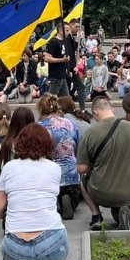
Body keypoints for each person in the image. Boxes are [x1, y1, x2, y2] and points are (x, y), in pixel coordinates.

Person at [0, 123, 68, 260]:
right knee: (49, 244)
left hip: (15, 249)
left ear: (19, 143)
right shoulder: (54, 168)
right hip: (51, 243)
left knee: (16, 230)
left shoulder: (9, 167)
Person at [76, 94, 130, 230]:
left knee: (83, 179)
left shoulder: (90, 133)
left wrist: (95, 165)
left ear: (95, 112)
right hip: (129, 192)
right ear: (112, 109)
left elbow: (81, 169)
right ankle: (126, 214)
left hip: (101, 192)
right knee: (125, 211)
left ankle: (96, 216)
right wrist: (127, 160)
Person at [36, 93, 82, 221]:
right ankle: (69, 201)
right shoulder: (70, 123)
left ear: (40, 109)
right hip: (72, 175)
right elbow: (78, 146)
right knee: (74, 199)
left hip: (51, 177)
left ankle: (58, 203)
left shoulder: (39, 127)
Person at [45, 25, 72, 98]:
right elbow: (47, 58)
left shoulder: (64, 41)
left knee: (66, 99)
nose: (68, 32)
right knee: (52, 98)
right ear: (60, 31)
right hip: (55, 75)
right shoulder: (54, 42)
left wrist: (67, 69)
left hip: (62, 74)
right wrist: (62, 60)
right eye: (67, 30)